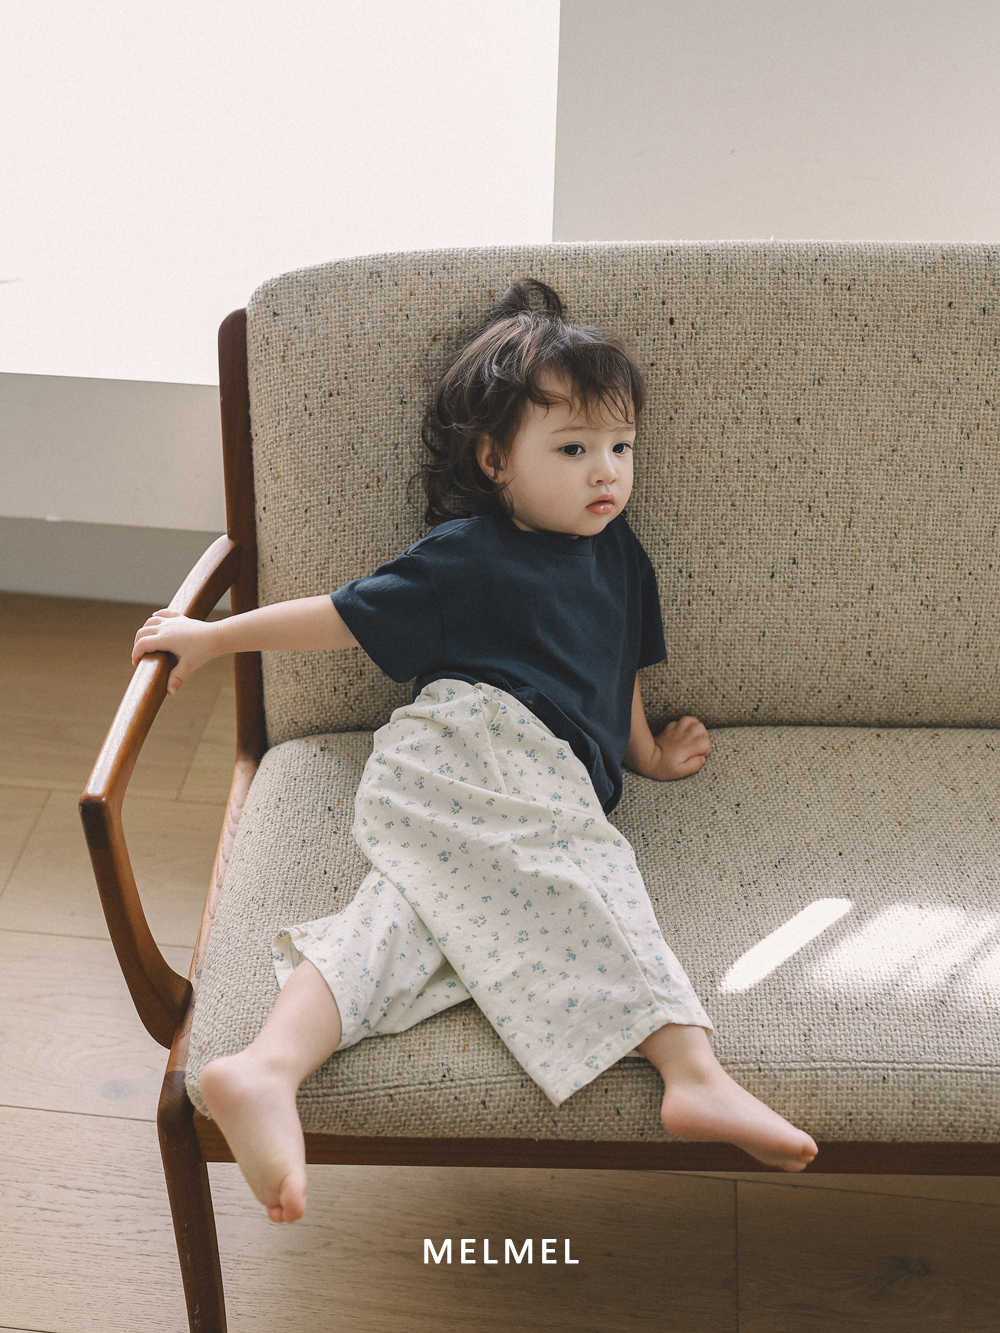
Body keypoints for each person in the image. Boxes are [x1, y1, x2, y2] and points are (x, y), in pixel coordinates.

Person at [133, 278, 818, 1223]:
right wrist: (212, 639)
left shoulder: (622, 555)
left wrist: (645, 753)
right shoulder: (472, 554)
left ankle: (266, 1066)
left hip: (526, 778)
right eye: (572, 449)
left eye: (620, 448)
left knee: (405, 922)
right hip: (474, 744)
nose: (606, 472)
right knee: (591, 873)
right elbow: (340, 615)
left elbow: (617, 667)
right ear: (496, 460)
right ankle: (689, 1067)